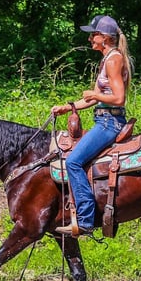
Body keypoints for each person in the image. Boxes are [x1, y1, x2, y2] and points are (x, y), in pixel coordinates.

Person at [51, 15, 133, 236]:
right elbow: (96, 98)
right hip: (104, 119)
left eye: (93, 35)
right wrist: (67, 107)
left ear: (105, 38)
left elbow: (118, 98)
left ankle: (85, 220)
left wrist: (94, 93)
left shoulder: (114, 59)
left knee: (74, 162)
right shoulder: (107, 58)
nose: (90, 39)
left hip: (110, 122)